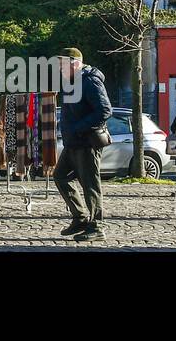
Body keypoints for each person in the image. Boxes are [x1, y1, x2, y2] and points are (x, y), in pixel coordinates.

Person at [54, 47, 112, 242]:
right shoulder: (71, 82)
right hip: (73, 142)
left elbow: (104, 110)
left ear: (74, 63)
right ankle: (79, 218)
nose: (59, 67)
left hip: (86, 142)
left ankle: (97, 227)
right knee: (60, 176)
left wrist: (79, 127)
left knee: (90, 185)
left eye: (62, 63)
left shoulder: (90, 81)